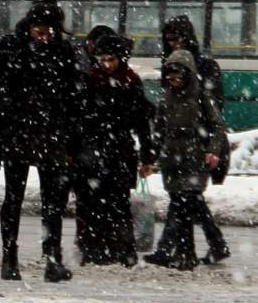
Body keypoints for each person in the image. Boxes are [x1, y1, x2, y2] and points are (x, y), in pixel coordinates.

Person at [0, 0, 84, 282]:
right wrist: (10, 101)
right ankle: (9, 258)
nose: (43, 36)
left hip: (52, 133)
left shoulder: (63, 51)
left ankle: (52, 260)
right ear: (30, 25)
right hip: (18, 131)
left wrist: (70, 132)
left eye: (49, 31)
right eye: (39, 29)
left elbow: (76, 96)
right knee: (14, 197)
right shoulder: (11, 46)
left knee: (53, 203)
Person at [145, 49, 230, 271]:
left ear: (188, 75)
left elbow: (218, 127)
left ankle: (180, 252)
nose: (173, 82)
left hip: (193, 159)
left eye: (177, 77)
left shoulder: (201, 97)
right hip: (171, 161)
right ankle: (210, 246)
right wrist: (149, 157)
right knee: (189, 204)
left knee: (183, 204)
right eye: (170, 78)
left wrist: (212, 150)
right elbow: (159, 130)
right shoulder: (166, 98)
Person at [76, 27, 154, 266]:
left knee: (118, 203)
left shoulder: (130, 82)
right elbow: (78, 118)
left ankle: (122, 249)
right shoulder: (90, 80)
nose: (106, 64)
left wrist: (147, 154)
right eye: (102, 59)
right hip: (94, 151)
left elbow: (141, 122)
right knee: (92, 202)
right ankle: (93, 248)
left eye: (111, 59)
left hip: (119, 152)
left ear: (120, 59)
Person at [159, 16, 231, 261]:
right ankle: (204, 246)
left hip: (196, 145)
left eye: (177, 40)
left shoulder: (205, 68)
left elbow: (215, 114)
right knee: (188, 200)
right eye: (169, 41)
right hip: (176, 148)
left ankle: (171, 250)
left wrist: (208, 144)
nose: (173, 46)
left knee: (185, 198)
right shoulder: (169, 66)